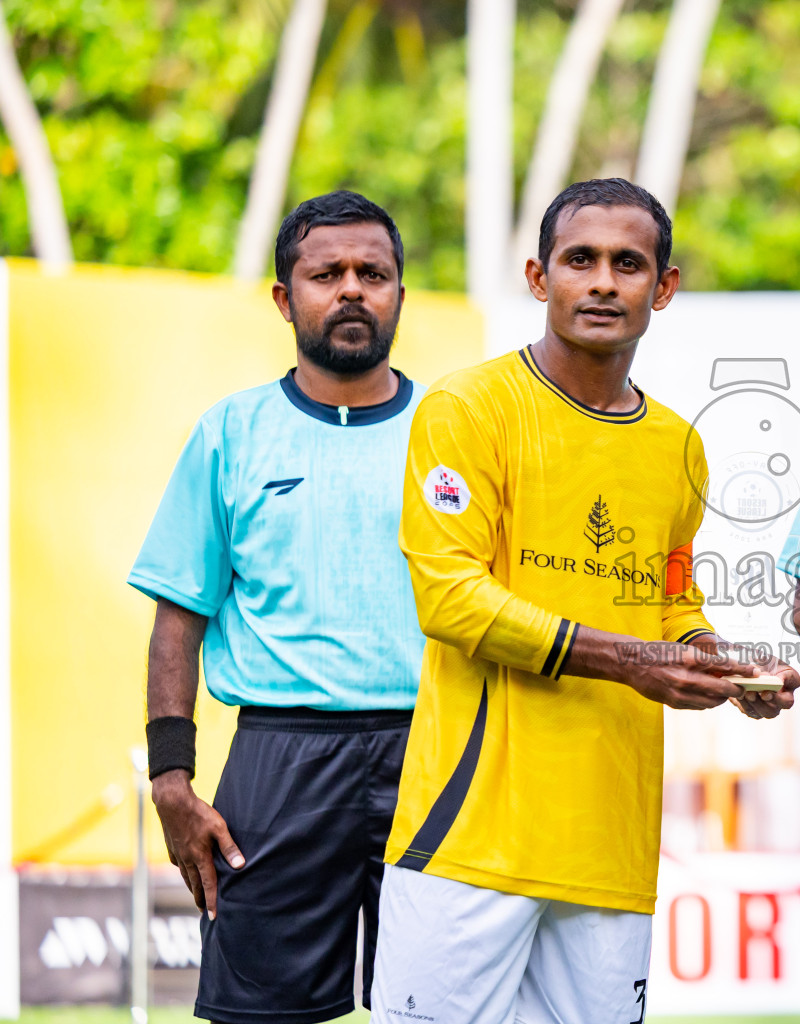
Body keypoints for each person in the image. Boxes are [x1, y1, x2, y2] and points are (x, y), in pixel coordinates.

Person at [370, 178, 800, 1023]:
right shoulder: (468, 407)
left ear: (663, 288)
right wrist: (635, 660)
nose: (603, 281)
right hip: (470, 841)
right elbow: (451, 599)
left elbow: (668, 600)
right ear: (539, 278)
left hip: (611, 846)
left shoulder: (679, 443)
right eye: (581, 260)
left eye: (628, 264)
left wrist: (718, 660)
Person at [129, 190, 423, 1024]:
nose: (352, 290)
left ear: (401, 291)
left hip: (435, 751)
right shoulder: (232, 432)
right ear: (283, 297)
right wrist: (169, 777)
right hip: (280, 758)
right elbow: (177, 619)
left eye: (374, 272)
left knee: (446, 1008)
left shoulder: (454, 429)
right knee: (260, 1014)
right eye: (325, 273)